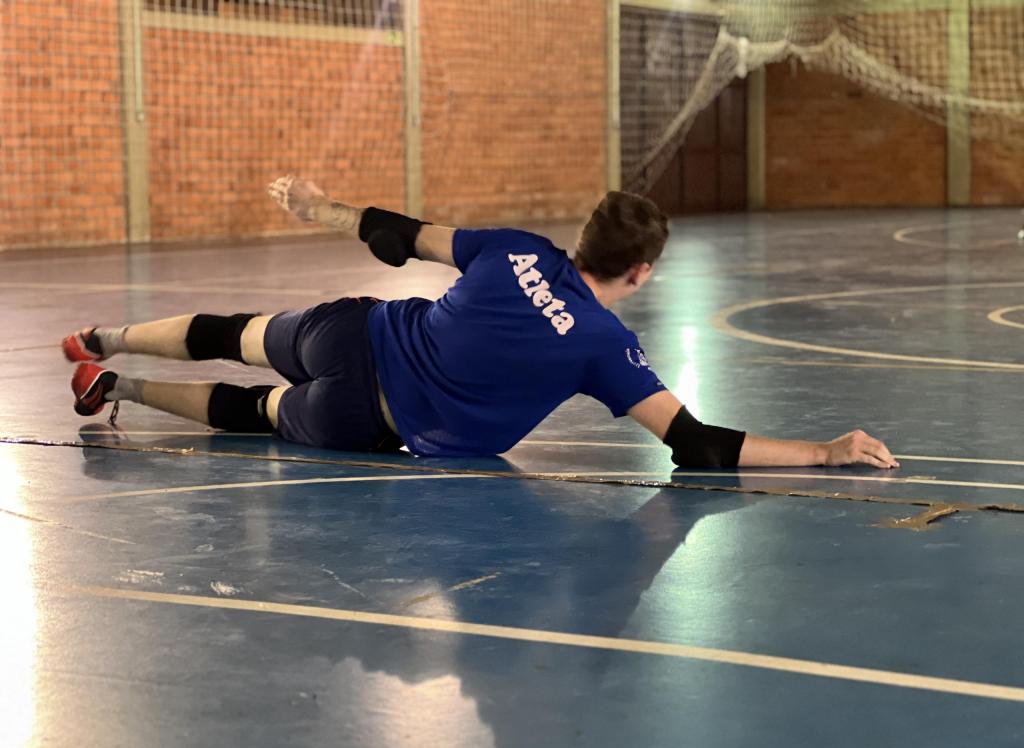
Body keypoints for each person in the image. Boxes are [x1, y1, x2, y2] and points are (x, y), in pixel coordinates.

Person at [64, 176, 899, 469]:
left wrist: (318, 207)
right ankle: (118, 387)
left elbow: (392, 234)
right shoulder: (605, 346)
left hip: (348, 333)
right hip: (363, 418)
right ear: (640, 273)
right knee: (251, 413)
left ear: (582, 239)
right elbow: (701, 446)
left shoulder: (516, 250)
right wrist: (825, 450)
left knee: (234, 332)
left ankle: (104, 336)